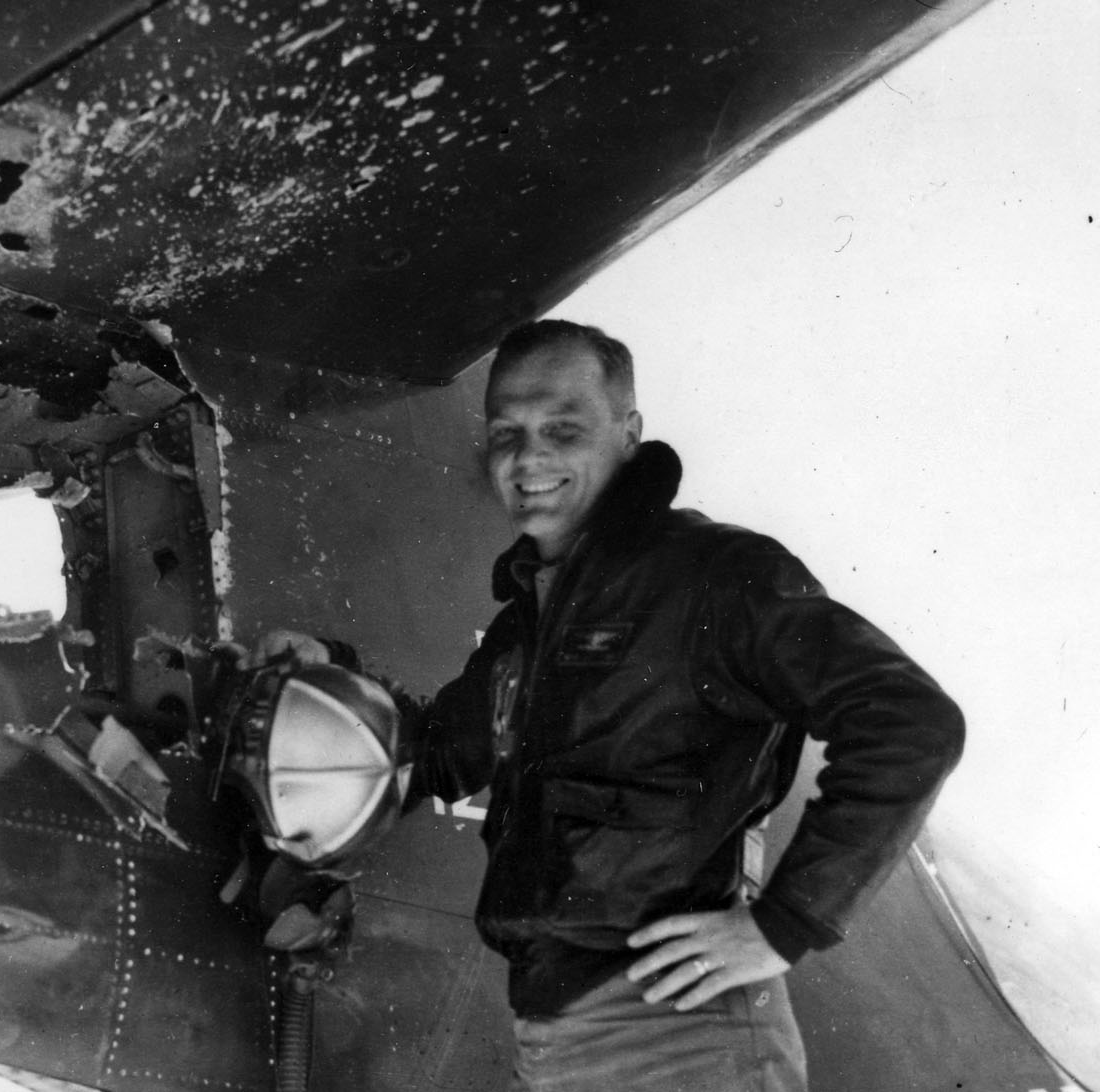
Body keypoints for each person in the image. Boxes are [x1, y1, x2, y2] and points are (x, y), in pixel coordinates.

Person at [256, 319, 964, 1091]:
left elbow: (910, 719)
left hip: (680, 1037)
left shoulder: (715, 577)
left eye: (564, 429)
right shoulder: (526, 624)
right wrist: (329, 673)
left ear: (628, 432)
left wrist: (786, 924)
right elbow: (439, 753)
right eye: (506, 433)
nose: (530, 458)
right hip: (560, 1033)